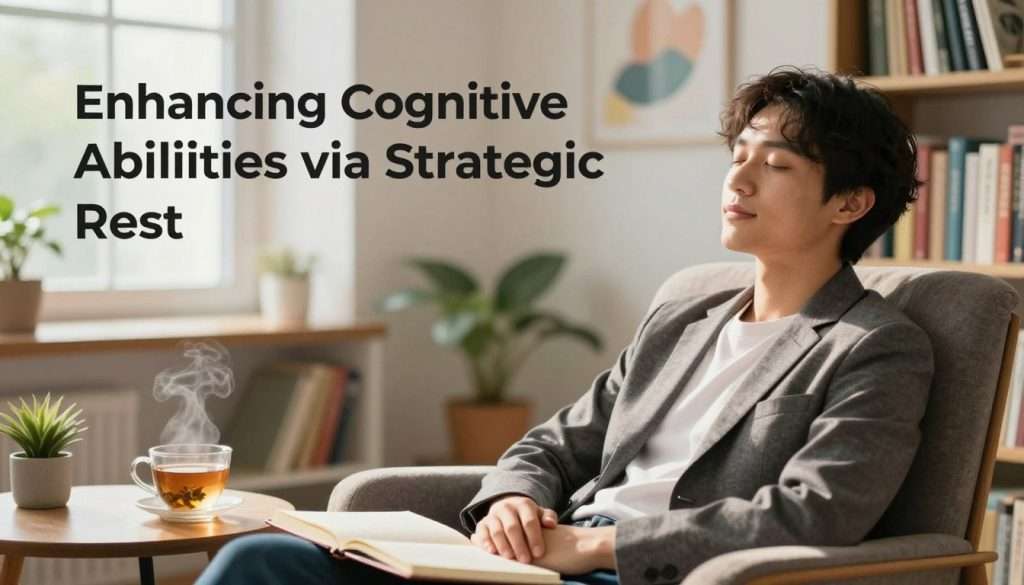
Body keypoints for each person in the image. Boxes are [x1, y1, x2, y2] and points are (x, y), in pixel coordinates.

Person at [196, 65, 932, 585]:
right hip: (540, 561)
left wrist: (598, 546)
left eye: (775, 165)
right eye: (737, 157)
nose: (737, 180)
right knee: (260, 560)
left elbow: (814, 514)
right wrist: (513, 501)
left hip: (637, 572)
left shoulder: (875, 347)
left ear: (849, 203)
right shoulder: (683, 320)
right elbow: (552, 444)